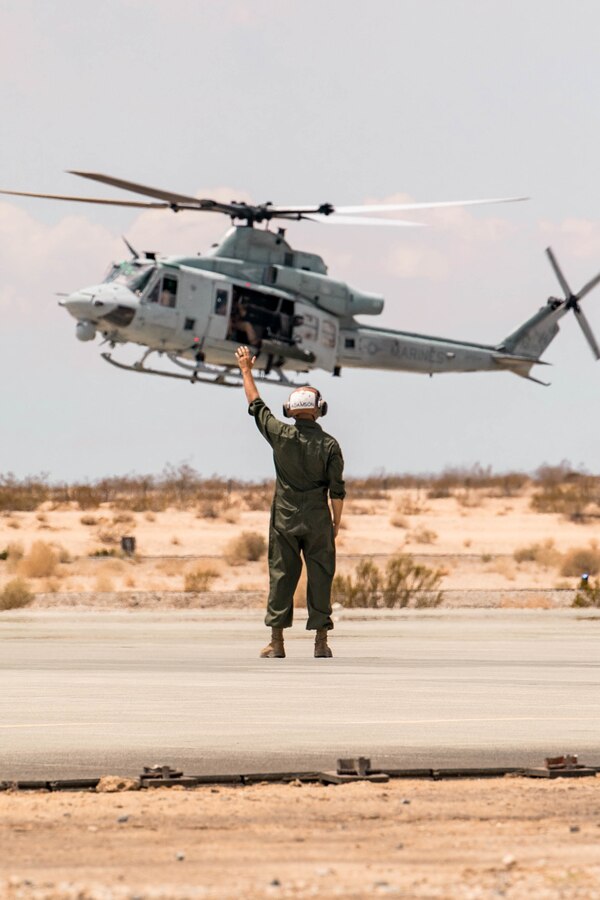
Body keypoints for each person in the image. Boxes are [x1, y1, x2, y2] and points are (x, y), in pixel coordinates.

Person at [235, 345, 345, 659]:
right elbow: (337, 490)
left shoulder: (280, 435)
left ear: (290, 410)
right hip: (318, 520)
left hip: (284, 519)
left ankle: (277, 642)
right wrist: (335, 523)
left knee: (282, 576)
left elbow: (256, 405)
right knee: (321, 576)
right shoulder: (329, 445)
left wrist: (246, 369)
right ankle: (321, 643)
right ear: (319, 409)